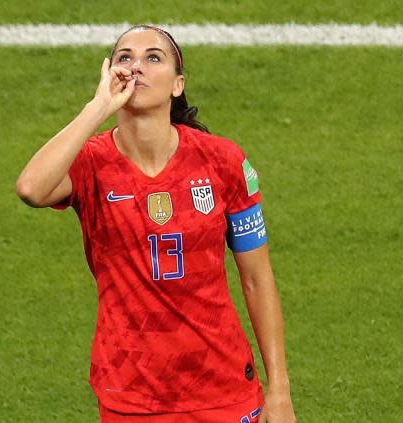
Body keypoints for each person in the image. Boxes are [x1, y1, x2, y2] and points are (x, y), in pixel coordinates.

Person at [15, 24, 296, 423]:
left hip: (223, 389)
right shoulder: (91, 163)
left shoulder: (223, 162)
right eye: (124, 57)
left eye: (153, 57)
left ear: (177, 84)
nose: (136, 67)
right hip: (131, 395)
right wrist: (98, 106)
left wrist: (280, 389)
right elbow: (30, 188)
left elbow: (256, 278)